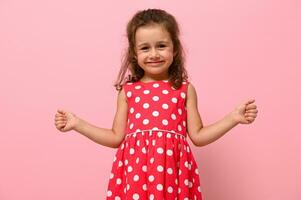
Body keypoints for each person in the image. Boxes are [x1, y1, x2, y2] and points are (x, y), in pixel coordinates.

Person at [54, 8, 258, 200]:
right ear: (134, 53)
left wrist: (233, 118)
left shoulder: (185, 90)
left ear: (175, 49)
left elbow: (198, 136)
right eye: (145, 48)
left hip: (173, 174)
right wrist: (77, 124)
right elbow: (115, 137)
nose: (154, 54)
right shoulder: (128, 91)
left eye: (161, 46)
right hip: (135, 173)